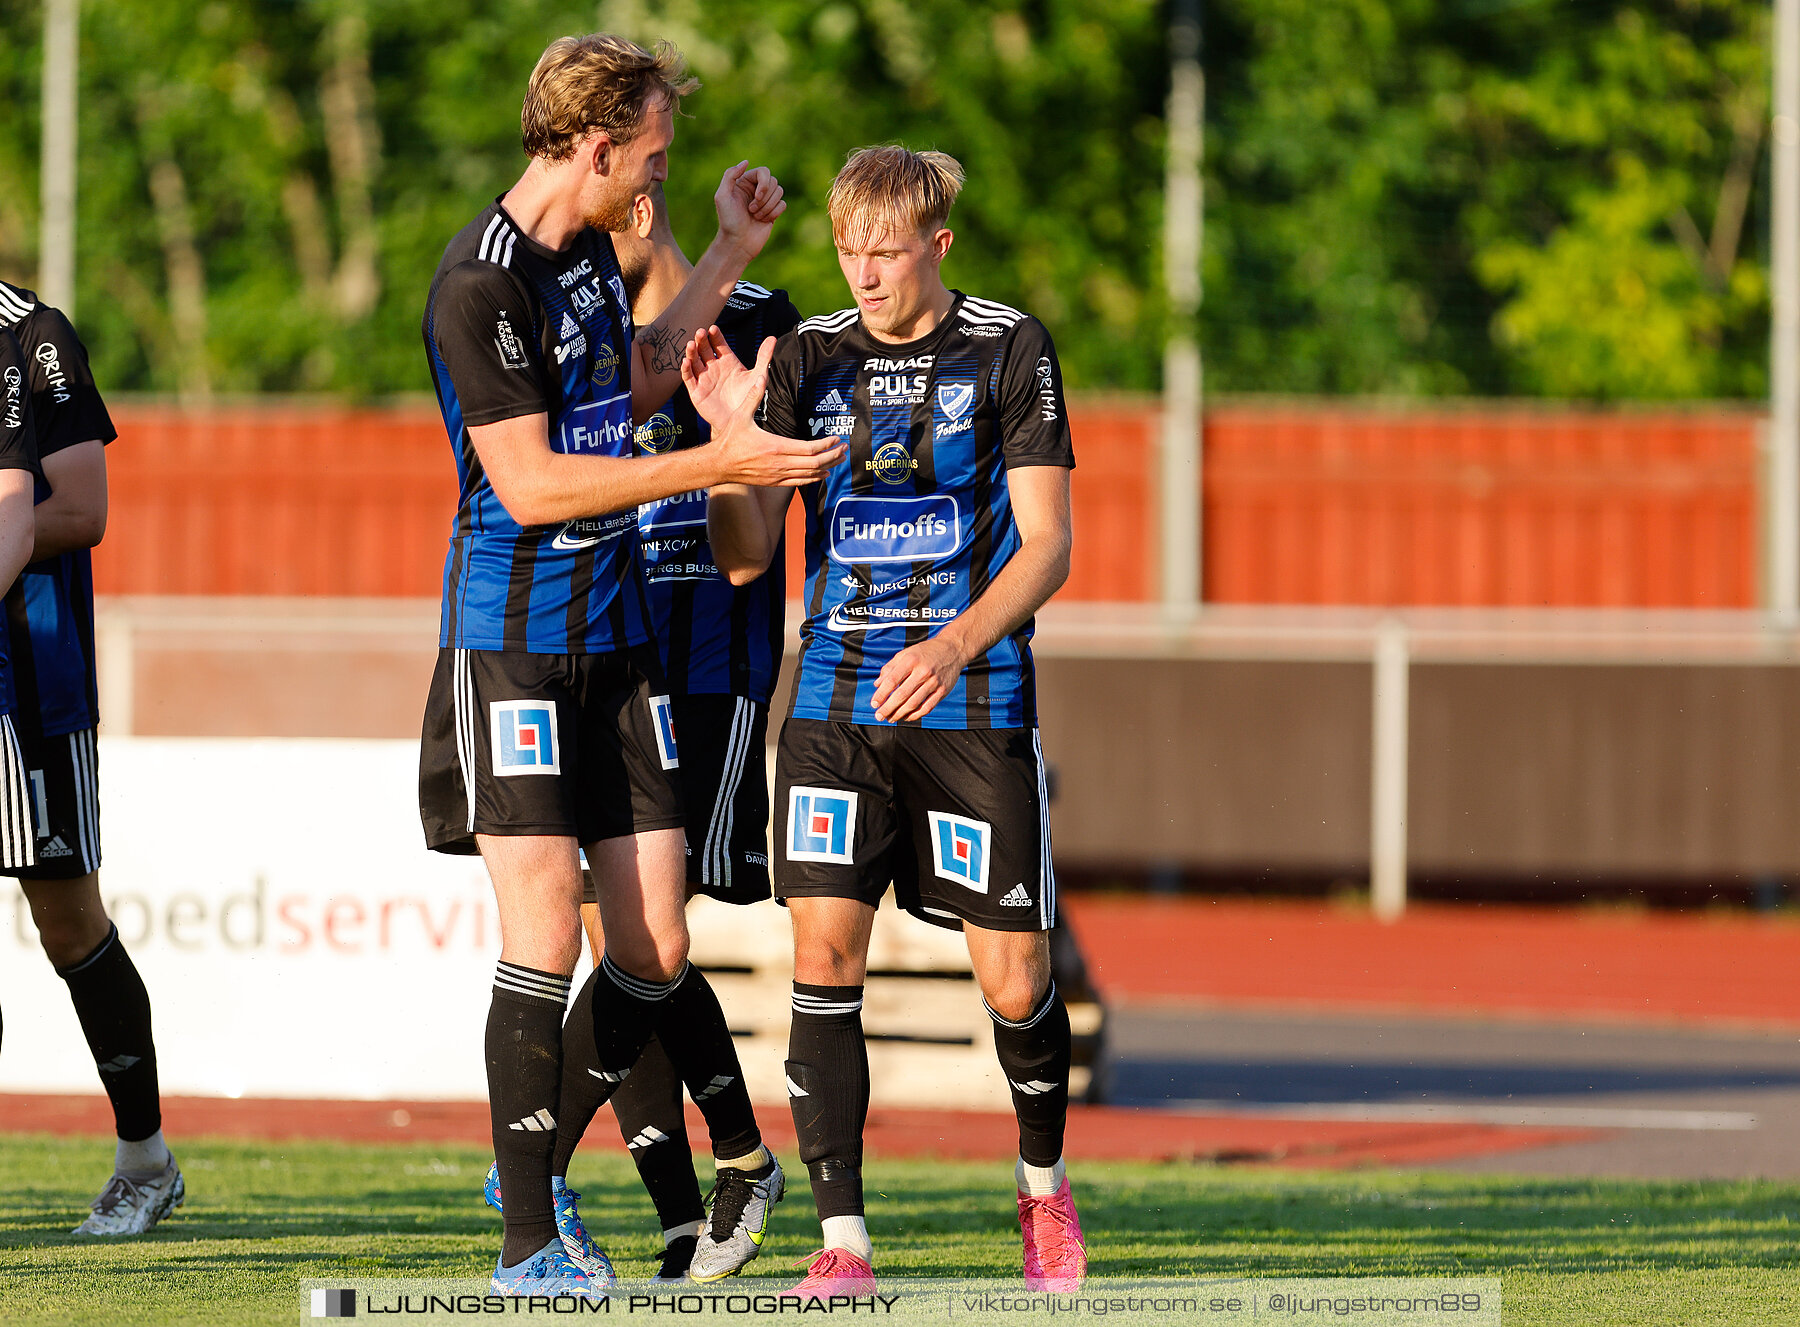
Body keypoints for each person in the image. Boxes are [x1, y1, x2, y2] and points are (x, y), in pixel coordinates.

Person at [416, 34, 842, 1297]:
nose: (660, 173)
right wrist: (726, 465)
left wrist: (726, 259)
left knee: (652, 943)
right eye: (652, 154)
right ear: (596, 150)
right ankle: (528, 1239)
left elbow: (643, 385)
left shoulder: (601, 264)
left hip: (620, 649)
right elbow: (536, 483)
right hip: (516, 645)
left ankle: (544, 1166)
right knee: (545, 934)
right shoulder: (478, 283)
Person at [686, 145, 1086, 1296]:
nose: (863, 272)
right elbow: (748, 557)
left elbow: (1049, 542)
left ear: (938, 246)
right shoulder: (807, 356)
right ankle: (842, 1245)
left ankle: (1043, 1191)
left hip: (974, 693)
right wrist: (731, 449)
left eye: (886, 250)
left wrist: (955, 642)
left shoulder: (1011, 347)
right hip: (833, 702)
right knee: (821, 954)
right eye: (847, 249)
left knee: (1014, 978)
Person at [0, 285, 182, 1236]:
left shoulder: (32, 336)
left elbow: (84, 506)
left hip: (37, 680)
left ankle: (145, 1157)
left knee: (68, 923)